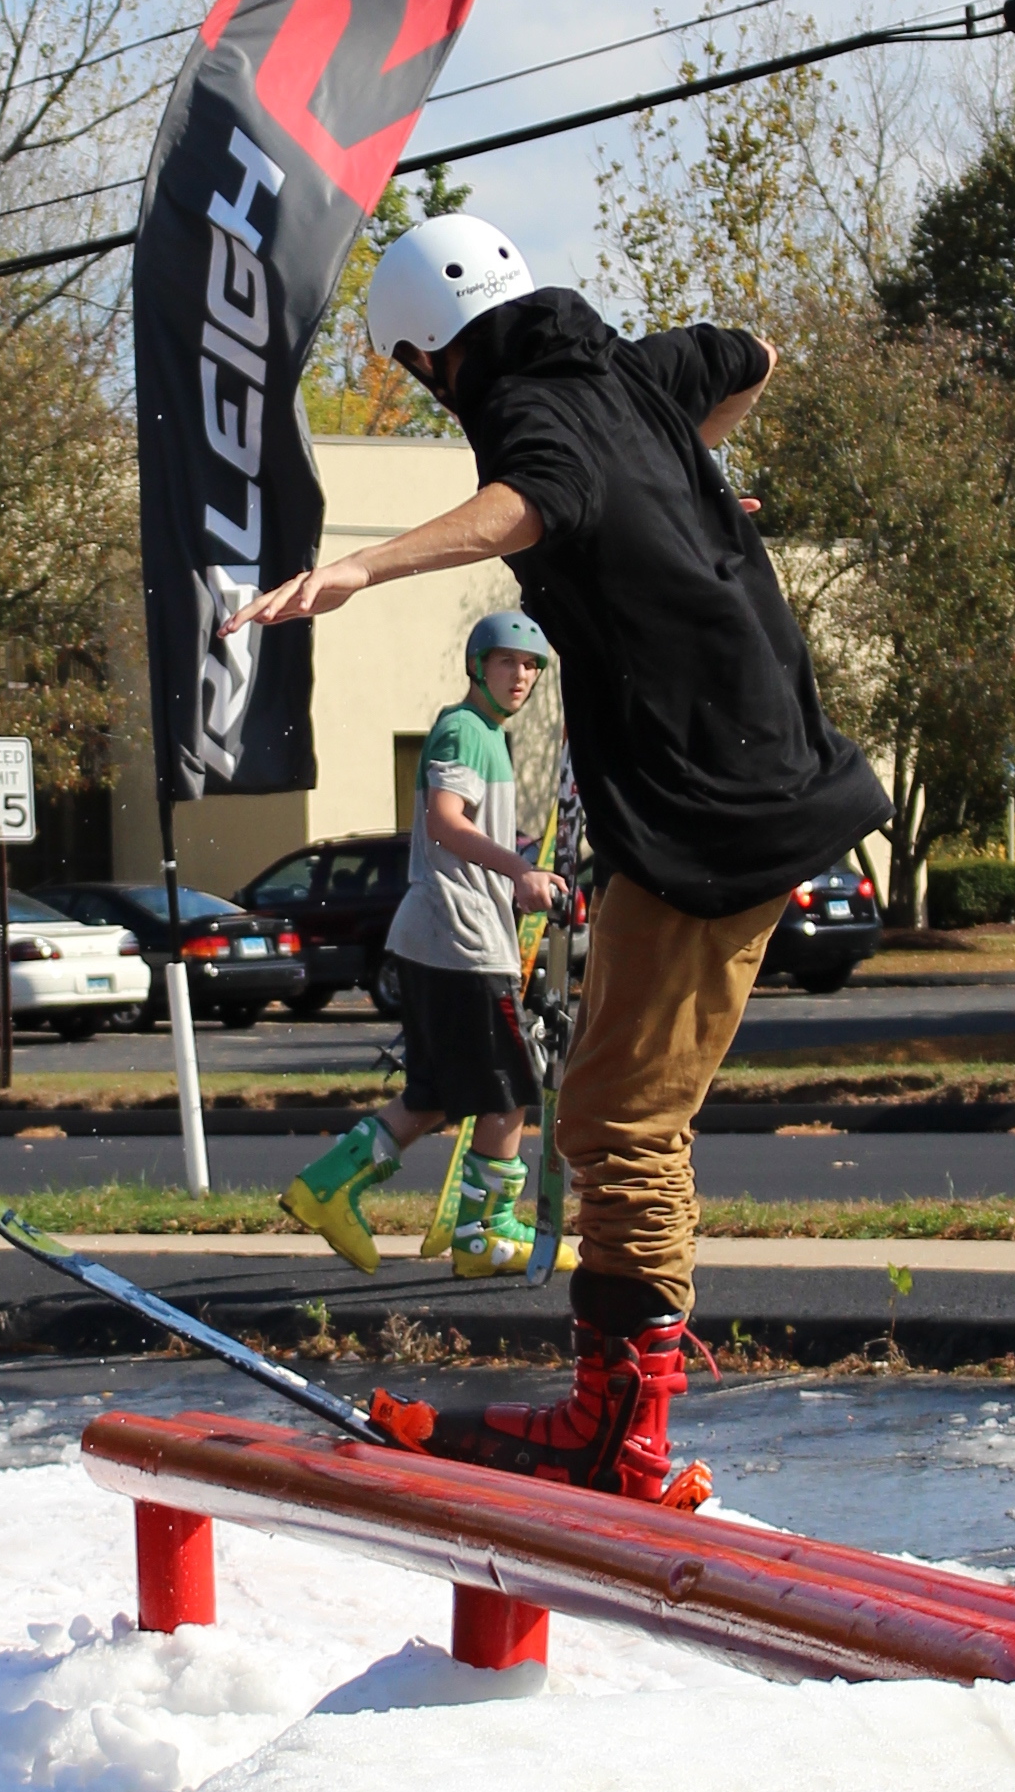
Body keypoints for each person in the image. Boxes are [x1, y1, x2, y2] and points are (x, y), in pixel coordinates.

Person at [231, 216, 886, 1502]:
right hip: (749, 776)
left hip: (711, 807)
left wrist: (359, 570)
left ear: (430, 355)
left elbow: (522, 502)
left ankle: (619, 1435)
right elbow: (752, 355)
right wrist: (686, 486)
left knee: (621, 1123)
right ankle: (620, 1414)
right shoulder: (627, 370)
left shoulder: (530, 408)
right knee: (607, 1110)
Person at [276, 610, 562, 1279]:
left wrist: (517, 877)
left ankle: (325, 1188)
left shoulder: (487, 735)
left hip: (440, 935)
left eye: (531, 666)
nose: (520, 676)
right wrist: (518, 869)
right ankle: (485, 1236)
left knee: (436, 1092)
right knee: (508, 1088)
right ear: (477, 666)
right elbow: (445, 822)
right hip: (459, 937)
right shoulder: (463, 729)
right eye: (507, 662)